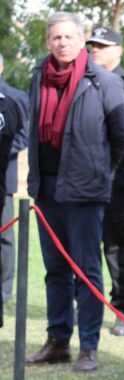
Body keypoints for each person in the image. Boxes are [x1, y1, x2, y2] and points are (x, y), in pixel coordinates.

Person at [24, 11, 124, 372]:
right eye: (56, 37)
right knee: (55, 270)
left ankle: (88, 346)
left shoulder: (103, 82)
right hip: (47, 188)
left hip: (86, 190)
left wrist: (103, 171)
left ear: (80, 40)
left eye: (69, 37)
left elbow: (123, 138)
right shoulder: (37, 77)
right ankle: (58, 341)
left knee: (86, 270)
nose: (62, 43)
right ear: (48, 42)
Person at [86, 26, 124, 337]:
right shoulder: (83, 82)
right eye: (93, 45)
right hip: (85, 178)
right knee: (83, 243)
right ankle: (85, 303)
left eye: (102, 45)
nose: (95, 50)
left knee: (117, 244)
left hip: (120, 181)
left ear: (118, 50)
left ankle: (123, 307)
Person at [0, 52, 29, 306]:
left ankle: (4, 288)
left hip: (3, 177)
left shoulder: (16, 98)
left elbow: (23, 136)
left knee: (5, 235)